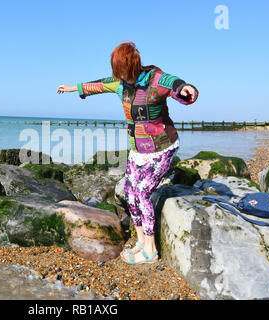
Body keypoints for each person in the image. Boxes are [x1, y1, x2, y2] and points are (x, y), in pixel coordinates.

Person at [57, 40, 199, 264]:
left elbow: (174, 83)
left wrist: (184, 88)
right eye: (118, 73)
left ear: (133, 66)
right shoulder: (119, 83)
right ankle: (141, 242)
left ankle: (151, 250)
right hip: (138, 149)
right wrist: (73, 88)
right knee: (130, 194)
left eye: (123, 71)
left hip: (162, 148)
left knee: (142, 193)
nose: (120, 77)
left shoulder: (155, 79)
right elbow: (98, 85)